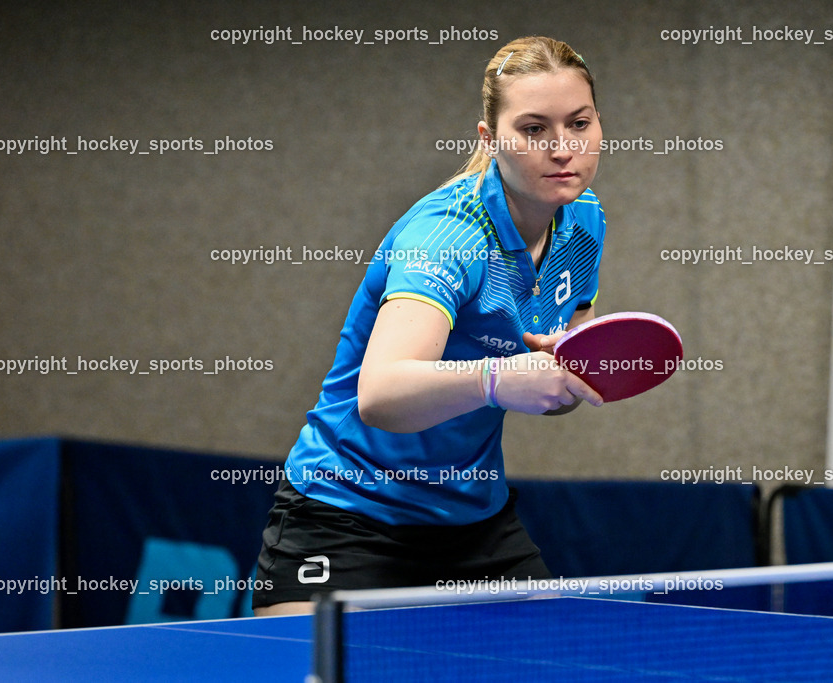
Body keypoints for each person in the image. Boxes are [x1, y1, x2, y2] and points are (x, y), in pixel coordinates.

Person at [253, 35, 606, 616]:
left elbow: (561, 370)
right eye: (534, 129)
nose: (563, 148)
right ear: (491, 141)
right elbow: (382, 394)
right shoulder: (447, 238)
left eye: (579, 123)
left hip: (474, 522)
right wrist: (497, 379)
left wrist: (565, 379)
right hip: (347, 516)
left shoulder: (583, 221)